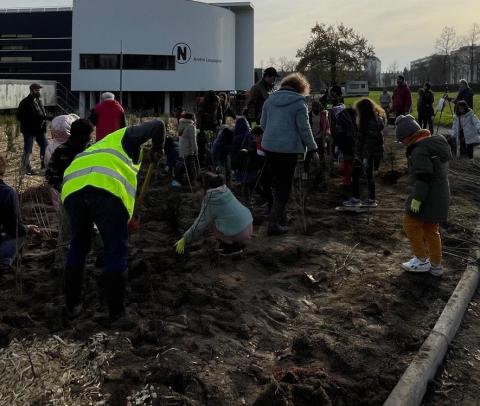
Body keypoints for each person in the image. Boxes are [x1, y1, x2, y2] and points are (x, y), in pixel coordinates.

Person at [60, 120, 165, 320]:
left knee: (78, 246)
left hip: (72, 188)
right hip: (104, 189)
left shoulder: (100, 150)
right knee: (116, 250)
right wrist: (159, 150)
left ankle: (72, 306)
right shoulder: (125, 136)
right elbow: (158, 125)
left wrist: (126, 220)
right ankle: (116, 312)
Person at [260, 73, 318, 235]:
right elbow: (304, 129)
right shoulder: (299, 102)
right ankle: (273, 224)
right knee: (284, 185)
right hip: (288, 150)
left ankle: (281, 219)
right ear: (301, 88)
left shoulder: (269, 100)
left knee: (276, 183)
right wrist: (312, 148)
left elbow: (263, 124)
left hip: (270, 148)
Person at [395, 115, 451, 277]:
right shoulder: (433, 144)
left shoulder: (419, 150)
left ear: (408, 136)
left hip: (426, 197)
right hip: (439, 196)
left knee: (410, 224)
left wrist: (417, 200)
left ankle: (421, 260)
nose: (402, 144)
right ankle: (436, 265)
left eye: (402, 140)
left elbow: (423, 177)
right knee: (431, 229)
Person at [45, 119, 94, 269]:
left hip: (91, 199)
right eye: (88, 135)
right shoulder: (61, 152)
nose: (90, 138)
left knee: (92, 230)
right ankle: (60, 263)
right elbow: (50, 175)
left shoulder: (92, 150)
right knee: (66, 232)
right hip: (68, 200)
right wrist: (63, 188)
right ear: (78, 135)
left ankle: (92, 261)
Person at [174, 172, 253, 257]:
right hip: (248, 225)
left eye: (197, 187)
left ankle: (231, 247)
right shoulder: (224, 190)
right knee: (223, 218)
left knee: (210, 223)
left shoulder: (211, 199)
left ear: (204, 186)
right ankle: (233, 243)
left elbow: (199, 224)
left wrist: (185, 238)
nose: (195, 190)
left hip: (239, 232)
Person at [0, 155, 41, 271]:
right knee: (20, 233)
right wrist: (28, 228)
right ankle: (4, 261)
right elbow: (13, 227)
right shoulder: (7, 193)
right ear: (3, 170)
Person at [343, 98, 385, 208]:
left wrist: (365, 157)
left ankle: (369, 199)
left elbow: (369, 142)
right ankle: (360, 198)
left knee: (365, 176)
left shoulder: (371, 122)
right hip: (363, 154)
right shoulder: (367, 120)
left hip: (367, 154)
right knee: (359, 175)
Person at [16, 83, 52, 174]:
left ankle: (44, 164)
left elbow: (41, 114)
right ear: (31, 90)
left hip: (39, 130)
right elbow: (19, 116)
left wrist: (46, 118)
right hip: (29, 130)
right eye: (36, 90)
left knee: (45, 145)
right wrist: (32, 120)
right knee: (28, 149)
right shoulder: (25, 102)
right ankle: (25, 168)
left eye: (39, 90)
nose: (38, 92)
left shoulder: (39, 101)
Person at [330, 86, 356, 188]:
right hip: (349, 144)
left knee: (347, 163)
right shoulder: (348, 121)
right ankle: (348, 180)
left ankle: (347, 181)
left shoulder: (342, 124)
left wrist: (337, 145)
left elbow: (340, 136)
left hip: (347, 145)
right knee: (348, 163)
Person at [231, 117, 257, 199]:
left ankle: (245, 197)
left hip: (240, 162)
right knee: (250, 179)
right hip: (250, 162)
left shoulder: (235, 137)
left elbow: (233, 152)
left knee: (243, 181)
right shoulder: (250, 136)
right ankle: (250, 197)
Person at [306, 100, 331, 184]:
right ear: (312, 107)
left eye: (318, 107)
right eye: (315, 107)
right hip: (311, 139)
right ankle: (306, 174)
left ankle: (321, 175)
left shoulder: (323, 115)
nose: (316, 108)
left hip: (320, 139)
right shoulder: (308, 115)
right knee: (308, 157)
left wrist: (327, 134)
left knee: (321, 156)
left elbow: (327, 127)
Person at [197, 91, 223, 165]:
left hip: (212, 124)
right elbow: (200, 114)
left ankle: (209, 158)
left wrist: (219, 120)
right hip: (206, 124)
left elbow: (219, 111)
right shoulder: (205, 102)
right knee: (203, 141)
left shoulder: (215, 100)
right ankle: (203, 158)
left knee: (211, 141)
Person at [173, 113, 198, 188]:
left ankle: (179, 179)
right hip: (188, 149)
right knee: (188, 166)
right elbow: (193, 140)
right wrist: (196, 150)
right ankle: (188, 181)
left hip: (182, 148)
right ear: (192, 118)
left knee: (185, 165)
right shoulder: (191, 127)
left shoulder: (181, 124)